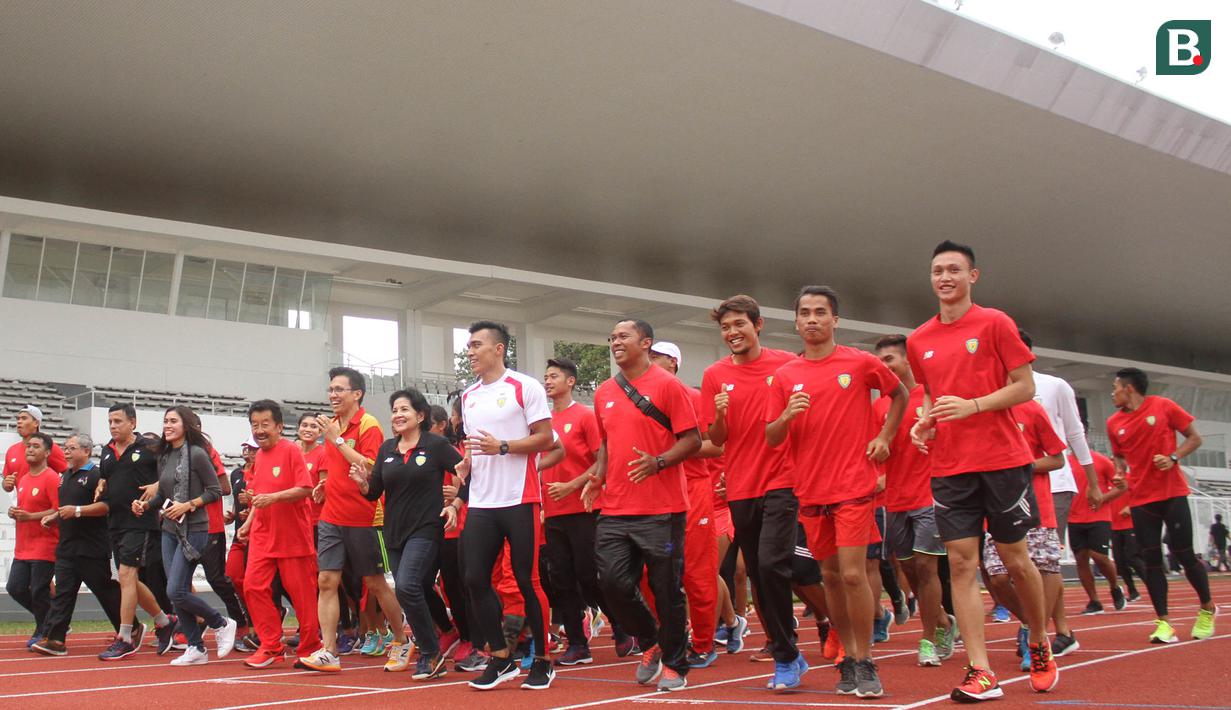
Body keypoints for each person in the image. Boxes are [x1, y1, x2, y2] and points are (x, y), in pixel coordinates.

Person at [907, 240, 1057, 701]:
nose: (945, 277)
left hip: (1003, 461)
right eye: (937, 270)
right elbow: (932, 395)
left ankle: (1038, 639)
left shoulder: (995, 323)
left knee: (1015, 559)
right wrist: (925, 423)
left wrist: (973, 406)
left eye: (954, 269)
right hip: (950, 467)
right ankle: (981, 670)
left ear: (973, 276)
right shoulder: (918, 340)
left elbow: (1024, 387)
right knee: (961, 565)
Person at [766, 286, 907, 698]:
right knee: (828, 576)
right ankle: (847, 657)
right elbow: (771, 437)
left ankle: (865, 659)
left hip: (853, 485)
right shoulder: (786, 376)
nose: (812, 319)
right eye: (805, 313)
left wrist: (885, 436)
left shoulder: (860, 363)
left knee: (851, 574)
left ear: (835, 320)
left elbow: (899, 394)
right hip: (810, 489)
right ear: (796, 321)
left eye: (820, 313)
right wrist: (787, 416)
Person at [581, 319, 700, 692]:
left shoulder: (669, 386)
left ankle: (676, 665)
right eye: (612, 336)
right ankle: (650, 640)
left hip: (662, 509)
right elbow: (605, 444)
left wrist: (659, 462)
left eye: (623, 336)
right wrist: (597, 477)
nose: (615, 342)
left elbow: (693, 439)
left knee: (667, 589)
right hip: (615, 507)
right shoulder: (603, 392)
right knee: (612, 583)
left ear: (645, 343)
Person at [698, 295, 808, 683]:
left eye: (739, 324)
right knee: (762, 574)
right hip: (740, 486)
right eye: (726, 327)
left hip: (783, 479)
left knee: (771, 563)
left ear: (757, 325)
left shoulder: (787, 365)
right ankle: (788, 651)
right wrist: (722, 414)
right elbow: (716, 437)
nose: (732, 333)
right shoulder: (714, 376)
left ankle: (786, 654)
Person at [456, 321, 556, 691]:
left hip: (519, 497)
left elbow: (545, 438)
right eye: (467, 346)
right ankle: (500, 657)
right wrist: (467, 465)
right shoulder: (468, 396)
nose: (470, 351)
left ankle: (544, 660)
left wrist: (504, 447)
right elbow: (474, 446)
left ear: (499, 349)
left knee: (528, 582)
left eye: (476, 344)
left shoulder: (524, 386)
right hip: (482, 501)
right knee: (474, 579)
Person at [299, 367, 409, 672]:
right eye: (330, 389)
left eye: (339, 390)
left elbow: (373, 469)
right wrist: (326, 483)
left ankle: (401, 638)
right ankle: (329, 650)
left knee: (374, 583)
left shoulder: (368, 425)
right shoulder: (333, 425)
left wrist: (337, 442)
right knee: (326, 580)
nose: (333, 395)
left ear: (356, 393)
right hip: (332, 514)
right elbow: (339, 466)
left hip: (364, 515)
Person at [350, 388, 462, 680]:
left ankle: (430, 651)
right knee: (412, 589)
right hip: (394, 533)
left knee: (408, 586)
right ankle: (438, 641)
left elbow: (468, 473)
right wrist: (362, 483)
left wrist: (456, 502)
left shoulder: (435, 445)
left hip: (426, 529)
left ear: (420, 415)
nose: (397, 415)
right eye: (395, 410)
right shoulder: (387, 449)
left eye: (404, 410)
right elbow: (373, 493)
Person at [1106, 367, 1216, 643]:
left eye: (1115, 387)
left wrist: (1173, 457)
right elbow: (1119, 459)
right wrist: (1120, 475)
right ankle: (1164, 623)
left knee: (1184, 554)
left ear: (1129, 388)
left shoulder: (1163, 406)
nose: (1112, 393)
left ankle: (1206, 607)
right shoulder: (1113, 423)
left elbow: (1195, 438)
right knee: (1151, 561)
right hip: (1142, 499)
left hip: (1172, 493)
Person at [873, 334, 956, 668]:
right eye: (878, 362)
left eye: (889, 360)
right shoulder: (880, 405)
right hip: (894, 499)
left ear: (908, 361)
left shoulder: (932, 398)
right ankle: (946, 623)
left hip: (930, 495)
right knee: (907, 568)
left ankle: (927, 641)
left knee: (926, 566)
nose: (884, 367)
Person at [132, 406, 237, 665]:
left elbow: (215, 490)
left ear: (186, 425)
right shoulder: (165, 456)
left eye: (173, 421)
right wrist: (146, 505)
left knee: (176, 590)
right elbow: (163, 494)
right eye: (165, 420)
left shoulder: (198, 454)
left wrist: (189, 505)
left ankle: (221, 622)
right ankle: (195, 647)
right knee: (174, 591)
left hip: (196, 529)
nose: (167, 425)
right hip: (169, 529)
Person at [650, 342, 722, 670]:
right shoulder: (640, 399)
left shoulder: (692, 398)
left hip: (693, 491)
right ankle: (665, 636)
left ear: (673, 363)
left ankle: (704, 643)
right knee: (650, 573)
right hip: (655, 495)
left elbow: (715, 447)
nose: (650, 363)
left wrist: (676, 451)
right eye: (648, 357)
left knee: (697, 572)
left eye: (657, 358)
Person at [236, 400, 322, 668]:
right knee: (252, 586)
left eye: (265, 425)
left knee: (303, 596)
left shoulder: (291, 451)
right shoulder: (258, 457)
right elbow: (261, 495)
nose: (260, 430)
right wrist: (248, 523)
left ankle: (311, 646)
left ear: (280, 426)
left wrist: (272, 498)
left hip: (293, 535)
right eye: (255, 425)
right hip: (263, 535)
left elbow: (305, 489)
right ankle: (271, 645)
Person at [540, 357, 610, 667]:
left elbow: (601, 461)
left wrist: (572, 486)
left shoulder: (584, 416)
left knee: (589, 575)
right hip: (553, 513)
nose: (548, 381)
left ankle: (623, 626)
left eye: (554, 376)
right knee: (561, 580)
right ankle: (578, 645)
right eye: (546, 377)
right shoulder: (541, 422)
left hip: (584, 507)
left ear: (570, 381)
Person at [95, 404, 178, 660]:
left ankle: (125, 636)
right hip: (115, 523)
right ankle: (164, 621)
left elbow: (174, 472)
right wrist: (101, 484)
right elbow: (107, 479)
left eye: (118, 421)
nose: (113, 426)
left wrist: (156, 484)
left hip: (140, 520)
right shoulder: (107, 452)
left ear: (133, 422)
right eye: (110, 421)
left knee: (127, 574)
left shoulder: (149, 448)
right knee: (126, 579)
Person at [32, 434, 124, 655]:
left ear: (86, 451)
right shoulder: (64, 475)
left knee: (105, 592)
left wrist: (78, 511)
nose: (66, 451)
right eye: (65, 447)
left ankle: (129, 630)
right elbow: (66, 506)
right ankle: (55, 640)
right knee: (63, 594)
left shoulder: (96, 475)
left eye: (72, 448)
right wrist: (55, 516)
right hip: (67, 547)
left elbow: (107, 506)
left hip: (91, 547)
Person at [5, 432, 61, 647]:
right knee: (16, 588)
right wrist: (14, 512)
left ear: (47, 453)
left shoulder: (52, 478)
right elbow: (26, 507)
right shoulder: (24, 478)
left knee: (39, 590)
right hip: (24, 544)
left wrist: (31, 517)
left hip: (46, 544)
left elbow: (57, 510)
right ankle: (53, 619)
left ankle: (44, 629)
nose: (30, 449)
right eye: (28, 446)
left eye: (36, 446)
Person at [1068, 447, 1127, 613]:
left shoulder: (1101, 461)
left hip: (1099, 517)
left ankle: (1115, 586)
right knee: (1081, 558)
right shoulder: (1066, 463)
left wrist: (1102, 499)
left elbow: (1122, 486)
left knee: (1099, 556)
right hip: (1074, 518)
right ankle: (1094, 601)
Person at [2, 405, 68, 482]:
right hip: (21, 494)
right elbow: (5, 479)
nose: (19, 421)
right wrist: (6, 484)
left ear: (36, 423)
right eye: (18, 418)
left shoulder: (49, 447)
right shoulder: (12, 450)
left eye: (24, 418)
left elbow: (68, 473)